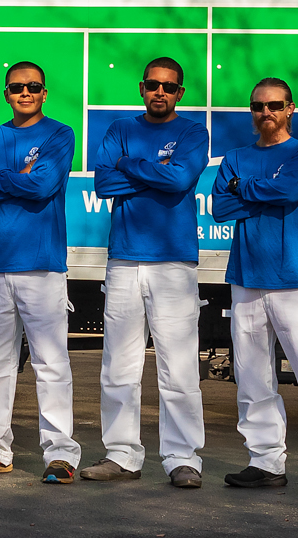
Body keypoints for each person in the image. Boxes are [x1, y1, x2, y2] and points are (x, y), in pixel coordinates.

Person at [214, 78, 298, 498]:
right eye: (258, 106)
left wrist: (245, 189)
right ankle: (265, 461)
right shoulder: (235, 156)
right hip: (246, 280)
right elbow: (221, 207)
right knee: (253, 380)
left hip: (293, 280)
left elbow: (289, 188)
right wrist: (260, 193)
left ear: (290, 108)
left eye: (274, 105)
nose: (266, 112)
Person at [84, 55, 210, 488]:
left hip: (174, 261)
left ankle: (183, 458)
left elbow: (180, 181)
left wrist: (129, 166)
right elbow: (103, 184)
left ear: (180, 92)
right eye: (153, 84)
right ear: (142, 87)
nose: (161, 91)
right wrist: (157, 173)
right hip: (123, 260)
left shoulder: (193, 131)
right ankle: (121, 454)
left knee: (178, 366)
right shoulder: (121, 129)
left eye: (169, 86)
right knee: (119, 364)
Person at [0, 61, 80, 481]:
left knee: (50, 363)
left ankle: (60, 454)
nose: (24, 93)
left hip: (42, 266)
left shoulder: (59, 134)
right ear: (7, 93)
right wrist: (12, 177)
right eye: (16, 87)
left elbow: (43, 187)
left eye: (33, 87)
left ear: (44, 93)